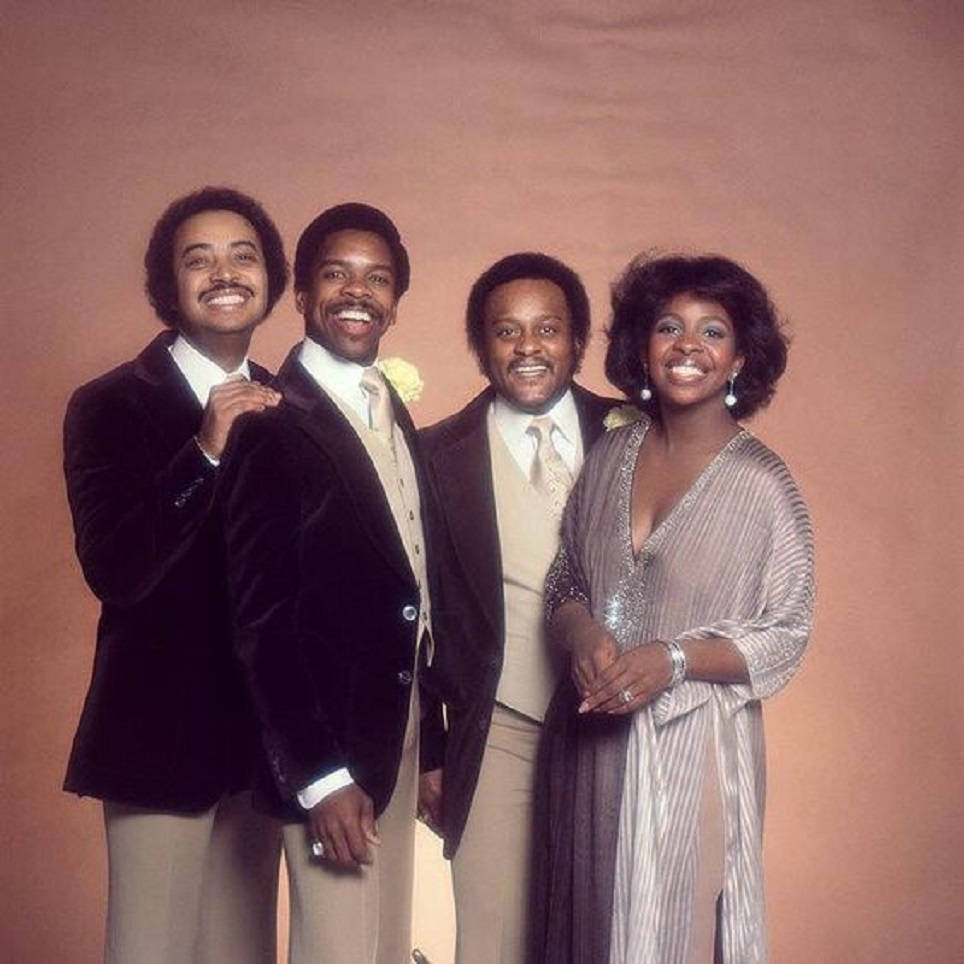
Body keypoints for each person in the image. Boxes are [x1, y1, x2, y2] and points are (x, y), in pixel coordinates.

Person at [532, 254, 814, 963]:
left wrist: (676, 658)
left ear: (741, 357)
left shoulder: (762, 484)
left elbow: (787, 631)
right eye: (669, 327)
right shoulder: (611, 454)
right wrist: (582, 632)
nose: (688, 347)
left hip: (693, 753)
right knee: (590, 935)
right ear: (641, 347)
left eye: (712, 331)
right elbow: (565, 576)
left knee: (672, 936)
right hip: (590, 749)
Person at [63, 186, 288, 963]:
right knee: (151, 950)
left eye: (244, 255)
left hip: (264, 739)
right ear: (169, 287)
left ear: (271, 278)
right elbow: (117, 571)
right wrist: (207, 448)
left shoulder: (290, 407)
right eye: (200, 259)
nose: (224, 272)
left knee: (244, 952)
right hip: (156, 734)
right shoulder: (107, 406)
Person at [218, 202, 444, 964]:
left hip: (401, 729)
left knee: (386, 948)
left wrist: (432, 745)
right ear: (304, 296)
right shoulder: (270, 426)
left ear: (395, 301)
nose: (358, 292)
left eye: (377, 279)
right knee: (339, 953)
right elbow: (261, 620)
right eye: (337, 275)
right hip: (331, 748)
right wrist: (319, 777)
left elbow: (418, 587)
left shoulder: (389, 407)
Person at [419, 253, 620, 963]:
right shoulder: (434, 456)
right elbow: (412, 617)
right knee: (494, 936)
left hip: (620, 726)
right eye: (507, 332)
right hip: (499, 724)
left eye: (548, 329)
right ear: (481, 347)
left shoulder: (634, 433)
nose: (528, 348)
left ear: (577, 341)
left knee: (612, 933)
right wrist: (429, 753)